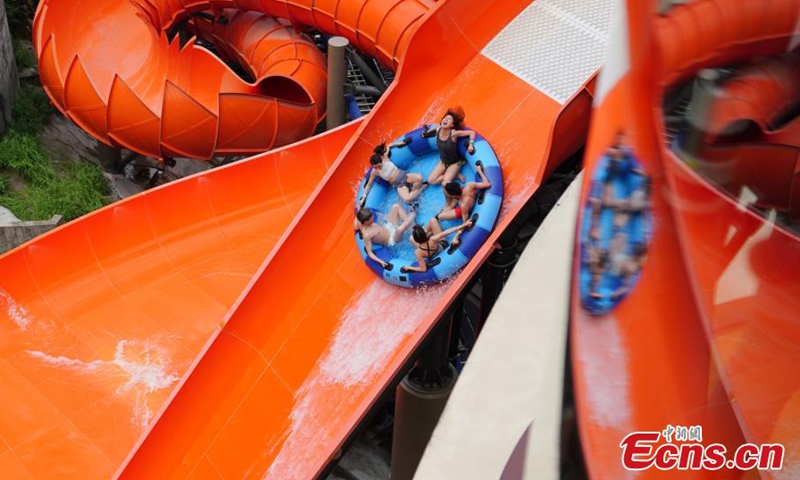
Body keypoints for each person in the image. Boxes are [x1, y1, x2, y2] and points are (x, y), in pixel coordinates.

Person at [434, 162, 491, 245]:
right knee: (444, 185)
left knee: (440, 216)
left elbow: (465, 223)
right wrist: (480, 171)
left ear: (453, 195)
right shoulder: (469, 185)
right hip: (464, 196)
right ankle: (449, 205)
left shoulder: (463, 206)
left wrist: (456, 237)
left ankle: (449, 206)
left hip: (464, 205)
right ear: (459, 186)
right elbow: (487, 184)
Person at [359, 141, 426, 208]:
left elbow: (388, 146)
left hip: (405, 176)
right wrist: (364, 197)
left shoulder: (385, 157)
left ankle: (414, 192)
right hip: (399, 185)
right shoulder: (375, 172)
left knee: (419, 178)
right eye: (375, 167)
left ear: (381, 160)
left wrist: (398, 144)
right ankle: (422, 187)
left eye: (379, 166)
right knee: (407, 199)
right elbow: (369, 185)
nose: (378, 168)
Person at [422, 107, 477, 185]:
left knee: (445, 183)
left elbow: (472, 133)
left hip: (455, 162)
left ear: (452, 125)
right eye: (445, 118)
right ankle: (455, 175)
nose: (446, 120)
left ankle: (453, 174)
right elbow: (433, 130)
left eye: (449, 119)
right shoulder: (438, 129)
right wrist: (426, 133)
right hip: (443, 161)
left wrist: (471, 145)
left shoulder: (453, 134)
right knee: (431, 181)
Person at [401, 218, 470, 273]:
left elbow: (423, 269)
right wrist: (464, 225)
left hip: (432, 256)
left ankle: (428, 232)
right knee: (432, 220)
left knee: (410, 238)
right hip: (442, 248)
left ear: (417, 240)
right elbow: (448, 231)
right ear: (425, 235)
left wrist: (409, 267)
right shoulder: (433, 239)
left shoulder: (417, 252)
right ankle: (427, 231)